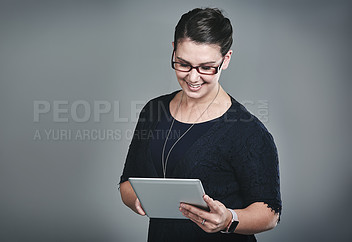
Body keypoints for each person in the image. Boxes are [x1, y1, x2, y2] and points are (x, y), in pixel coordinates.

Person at [119, 7, 281, 242]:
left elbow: (271, 213)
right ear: (173, 51)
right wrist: (139, 199)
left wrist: (229, 219)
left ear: (226, 60)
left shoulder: (248, 131)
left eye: (206, 67)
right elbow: (127, 182)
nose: (193, 78)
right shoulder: (153, 111)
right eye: (183, 64)